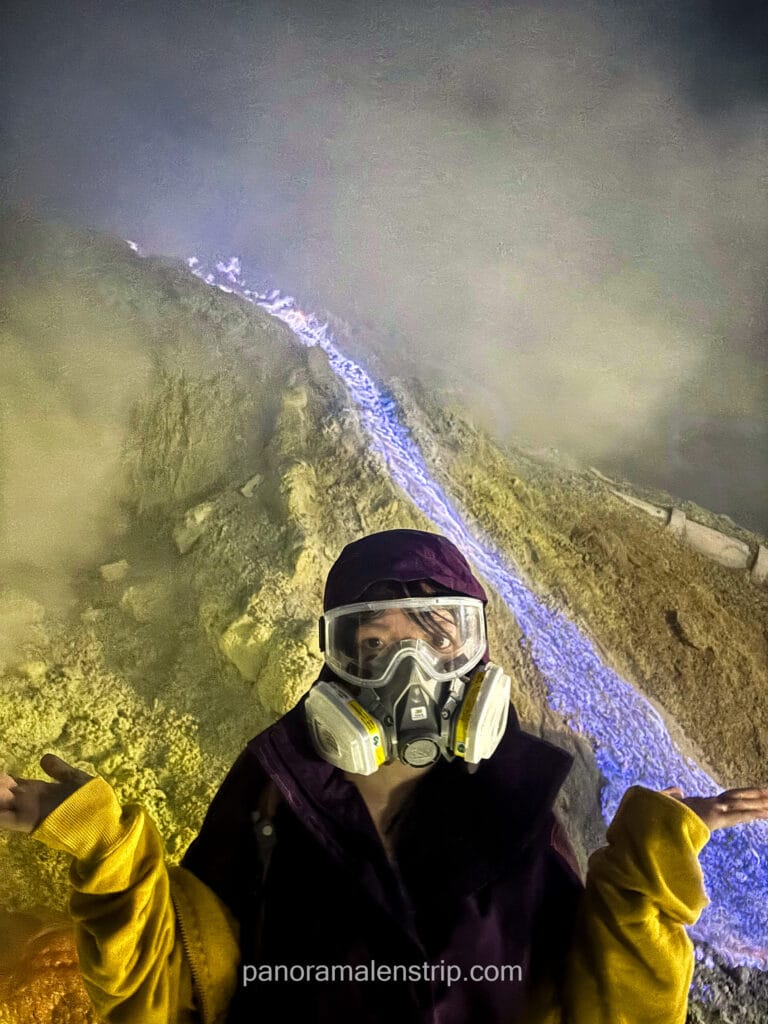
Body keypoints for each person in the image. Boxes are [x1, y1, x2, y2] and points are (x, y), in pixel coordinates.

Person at [2, 528, 767, 1024]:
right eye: (374, 643)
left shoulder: (517, 802)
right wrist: (105, 851)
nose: (410, 672)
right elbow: (177, 992)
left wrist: (650, 866)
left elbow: (609, 1009)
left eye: (437, 636)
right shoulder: (273, 789)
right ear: (337, 661)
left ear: (475, 650)